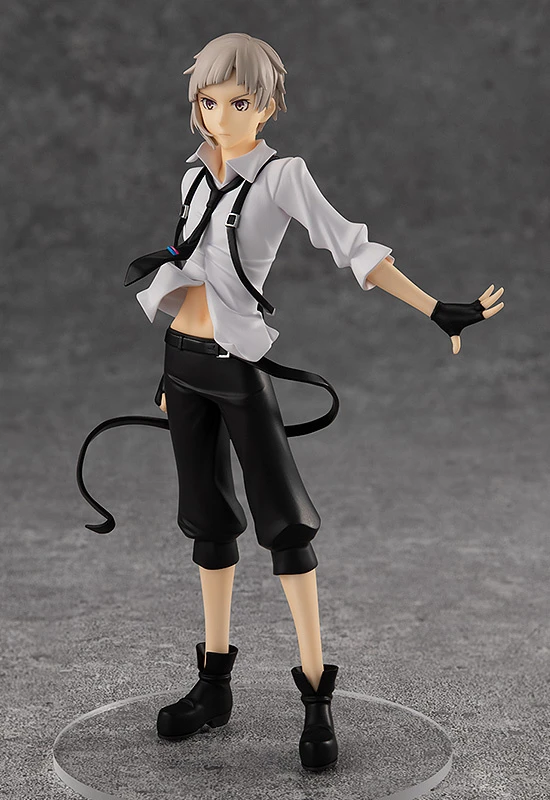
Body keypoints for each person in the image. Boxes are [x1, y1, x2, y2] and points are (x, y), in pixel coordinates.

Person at [85, 32, 505, 773]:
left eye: (238, 101)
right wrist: (164, 375)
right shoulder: (192, 176)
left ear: (268, 105)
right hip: (182, 362)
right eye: (208, 101)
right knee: (207, 521)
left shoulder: (282, 177)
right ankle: (214, 684)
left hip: (236, 366)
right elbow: (191, 267)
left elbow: (352, 248)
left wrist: (434, 307)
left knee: (285, 521)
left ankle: (315, 695)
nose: (220, 116)